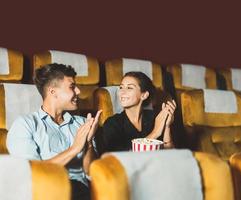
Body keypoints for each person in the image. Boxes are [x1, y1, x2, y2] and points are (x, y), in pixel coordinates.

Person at [6, 63, 101, 200]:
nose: (79, 92)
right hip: (48, 192)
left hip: (83, 192)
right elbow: (31, 173)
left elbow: (90, 173)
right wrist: (75, 148)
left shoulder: (81, 123)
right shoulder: (25, 125)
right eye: (72, 87)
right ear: (52, 92)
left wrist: (88, 143)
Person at [102, 71, 176, 152]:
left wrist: (167, 127)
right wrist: (154, 134)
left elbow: (170, 154)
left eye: (129, 88)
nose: (122, 92)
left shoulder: (154, 117)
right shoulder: (112, 123)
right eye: (121, 87)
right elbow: (121, 158)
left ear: (144, 95)